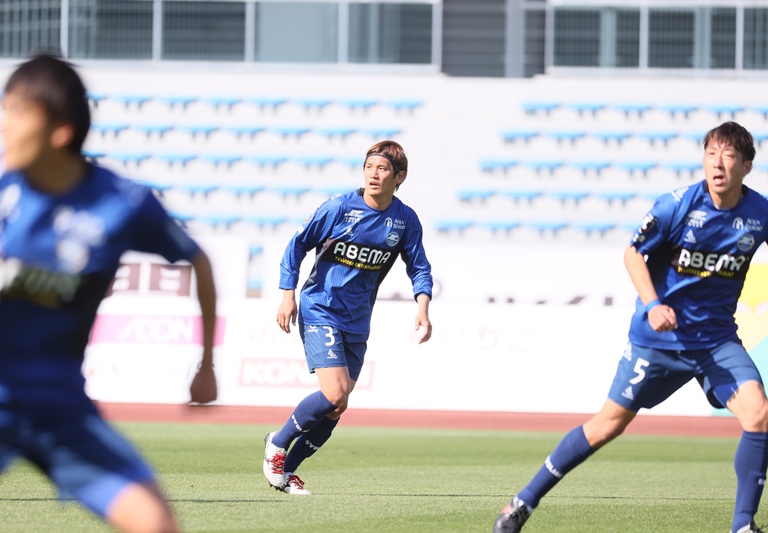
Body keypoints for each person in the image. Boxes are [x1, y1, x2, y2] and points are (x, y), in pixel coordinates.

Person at [0, 54, 217, 533]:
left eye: (16, 112)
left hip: (60, 406)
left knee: (156, 524)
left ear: (60, 131)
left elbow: (198, 261)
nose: (1, 126)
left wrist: (205, 366)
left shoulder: (122, 203)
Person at [495, 121, 768, 533]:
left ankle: (742, 526)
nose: (718, 163)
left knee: (759, 414)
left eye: (728, 156)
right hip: (658, 340)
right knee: (608, 425)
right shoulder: (676, 206)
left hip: (716, 342)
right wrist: (654, 304)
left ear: (746, 166)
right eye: (711, 154)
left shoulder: (759, 213)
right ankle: (522, 502)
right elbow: (632, 254)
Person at [262, 140, 433, 495]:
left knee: (337, 407)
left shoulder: (404, 220)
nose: (374, 174)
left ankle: (287, 472)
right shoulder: (339, 208)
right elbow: (297, 244)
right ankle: (277, 443)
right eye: (369, 167)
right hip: (320, 307)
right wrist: (287, 294)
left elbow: (419, 266)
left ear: (399, 177)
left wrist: (423, 307)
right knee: (334, 392)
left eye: (382, 168)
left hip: (357, 319)